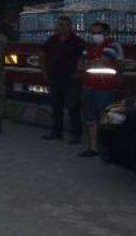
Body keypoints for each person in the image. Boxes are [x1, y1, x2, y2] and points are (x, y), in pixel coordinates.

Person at [78, 22, 124, 157]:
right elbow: (80, 65)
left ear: (106, 33)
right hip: (89, 88)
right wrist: (90, 62)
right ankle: (93, 148)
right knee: (91, 119)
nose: (95, 36)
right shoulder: (89, 47)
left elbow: (102, 62)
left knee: (107, 119)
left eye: (98, 33)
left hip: (105, 90)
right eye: (93, 33)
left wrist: (89, 62)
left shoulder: (113, 45)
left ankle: (109, 148)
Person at [40, 16, 86, 144]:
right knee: (56, 107)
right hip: (54, 78)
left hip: (71, 80)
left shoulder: (78, 42)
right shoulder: (52, 40)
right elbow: (42, 54)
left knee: (73, 107)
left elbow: (84, 58)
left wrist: (79, 73)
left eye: (65, 25)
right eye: (60, 25)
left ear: (70, 26)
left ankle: (76, 135)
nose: (62, 27)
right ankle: (56, 132)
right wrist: (44, 71)